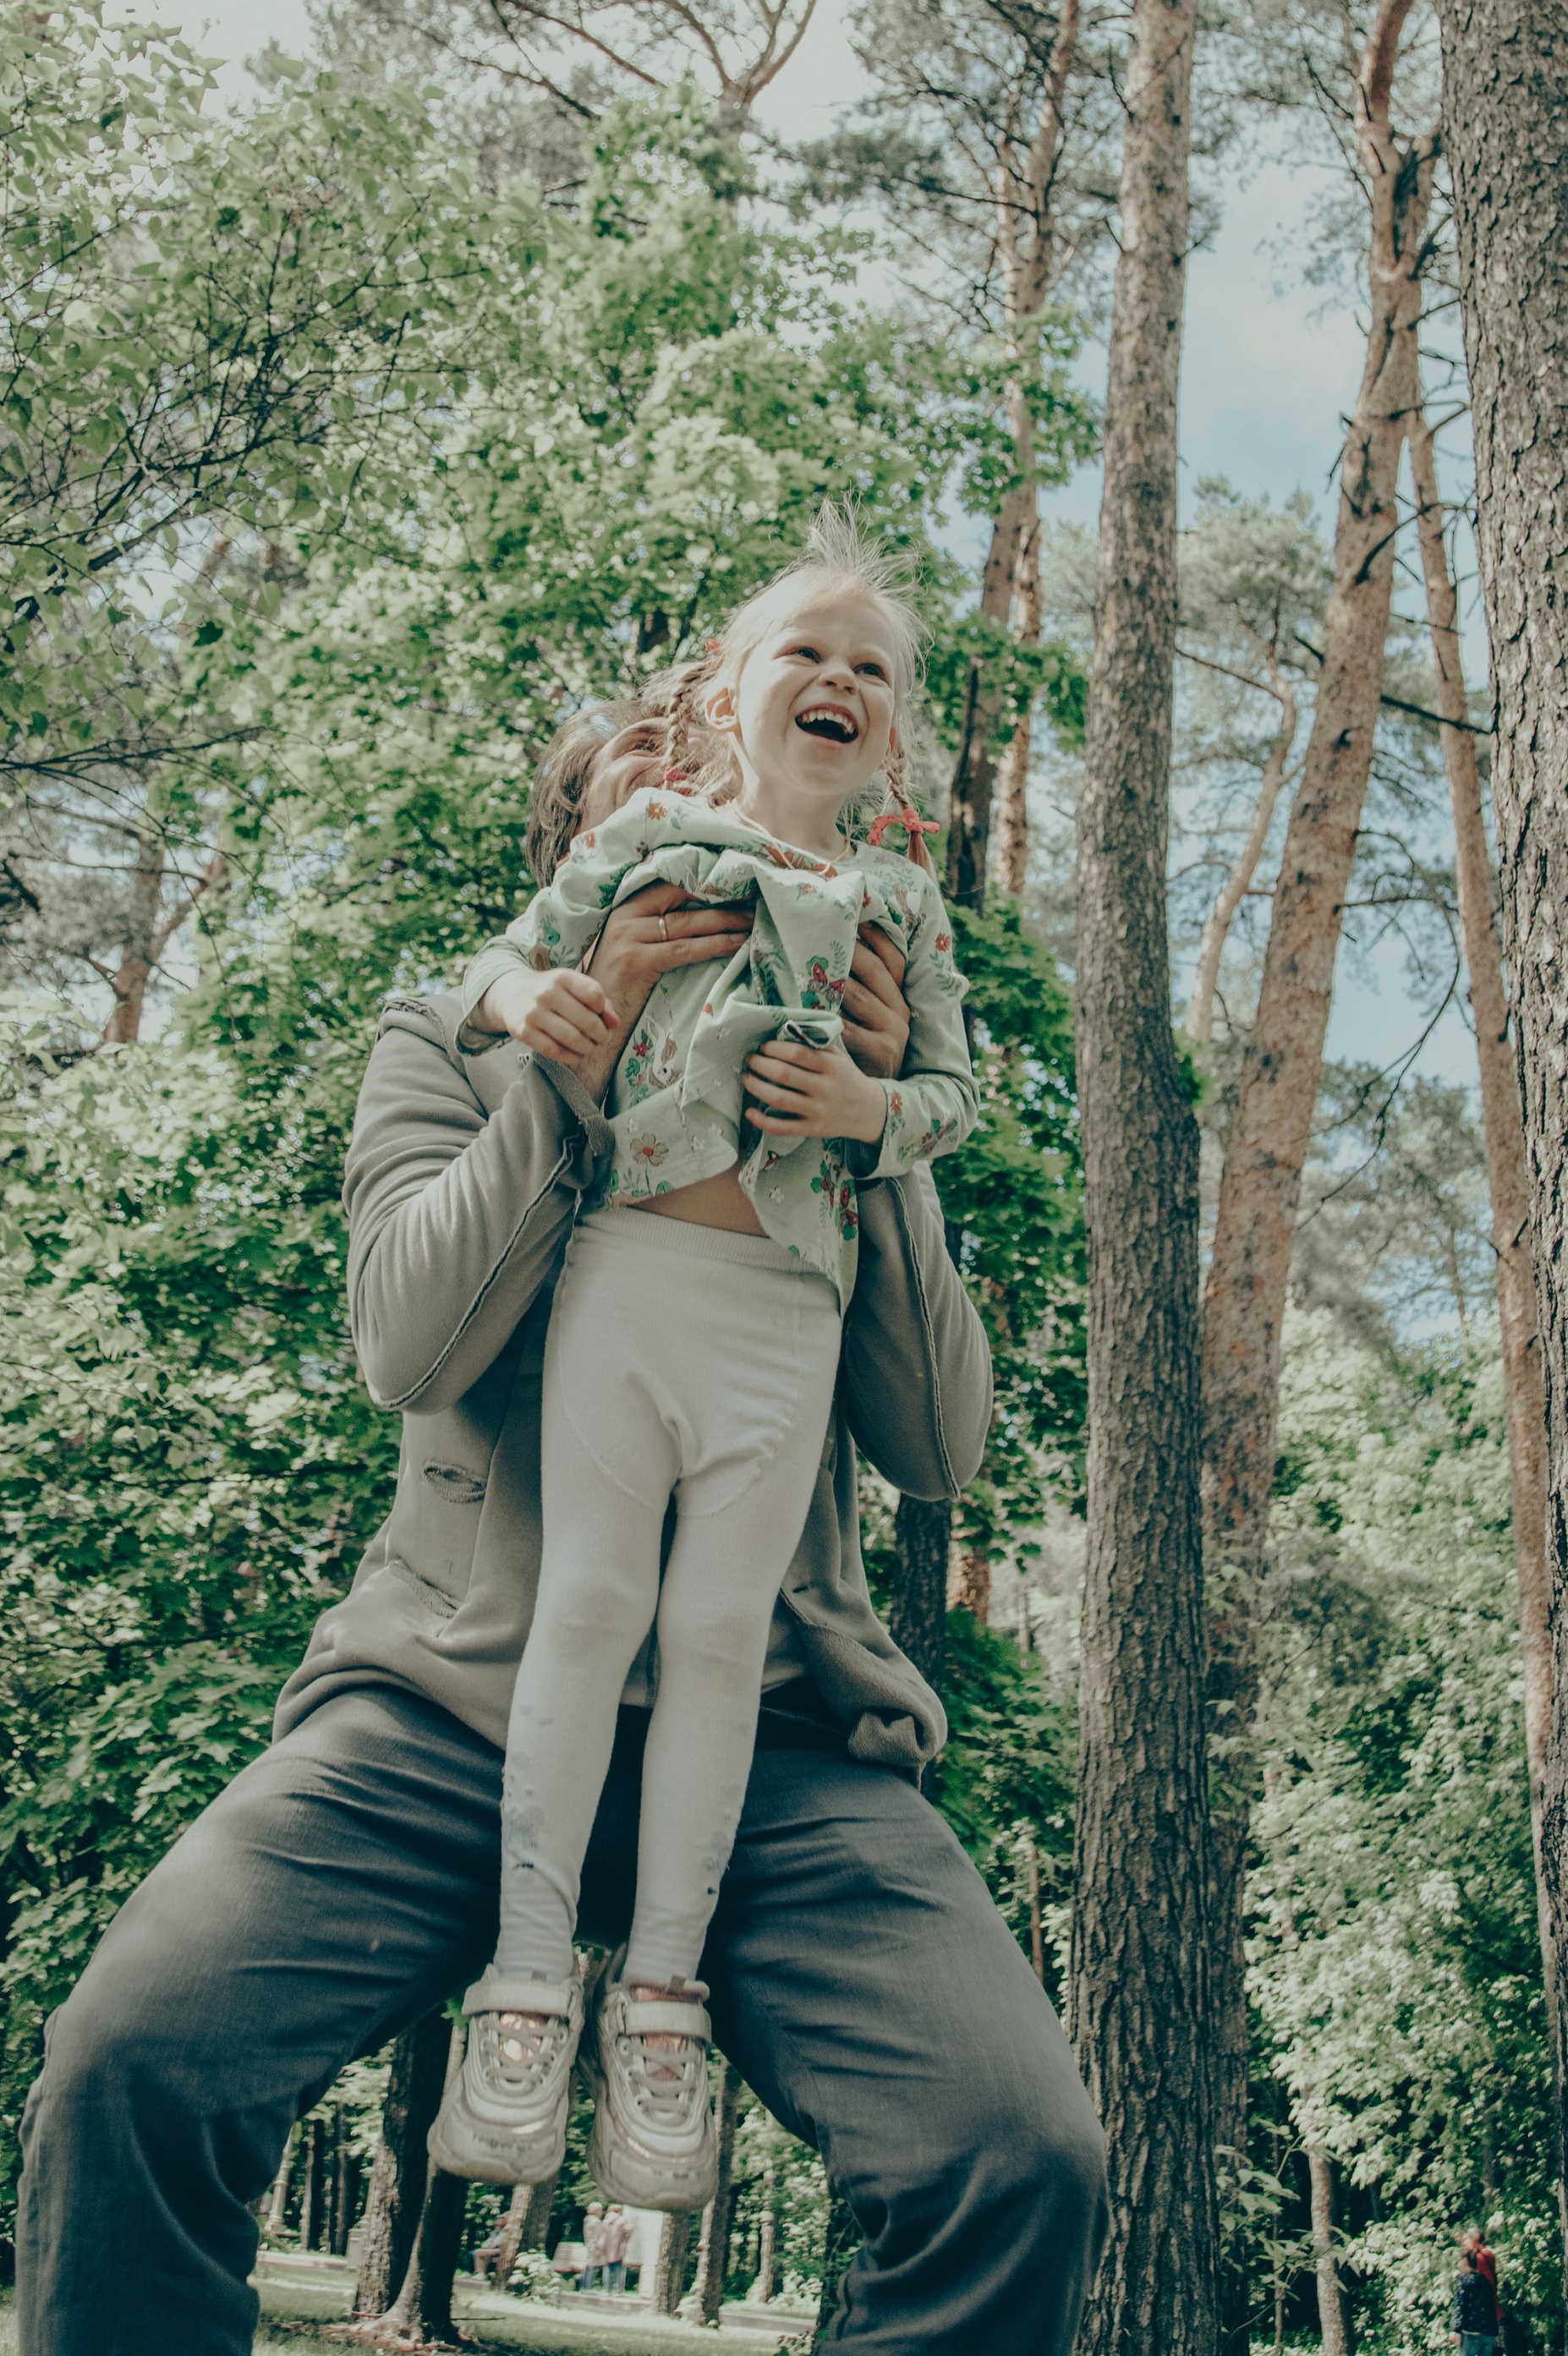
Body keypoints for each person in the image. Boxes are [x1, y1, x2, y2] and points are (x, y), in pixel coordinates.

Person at [14, 620, 1107, 2356]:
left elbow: (937, 1448)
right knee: (128, 2064)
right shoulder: (447, 1036)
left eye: (741, 859)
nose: (710, 882)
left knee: (1015, 2158)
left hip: (780, 1746)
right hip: (446, 1713)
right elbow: (407, 1343)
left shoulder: (828, 1071)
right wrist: (558, 1076)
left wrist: (870, 1129)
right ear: (589, 861)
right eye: (665, 828)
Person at [428, 517, 979, 2210]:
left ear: (891, 736)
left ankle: (657, 2007)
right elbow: (478, 973)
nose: (834, 679)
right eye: (800, 653)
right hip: (634, 1276)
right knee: (590, 1611)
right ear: (727, 695)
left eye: (869, 668)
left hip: (784, 1323)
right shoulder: (653, 843)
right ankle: (526, 1978)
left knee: (720, 1641)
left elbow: (952, 1099)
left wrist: (871, 1112)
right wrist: (537, 1008)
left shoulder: (900, 912)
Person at [1452, 2227, 1501, 2352]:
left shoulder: (1479, 2260)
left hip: (1479, 2323)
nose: (1464, 2245)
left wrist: (1456, 2329)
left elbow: (1461, 2303)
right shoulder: (1486, 2255)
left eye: (1466, 2241)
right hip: (1489, 2323)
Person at [601, 2206, 633, 2296]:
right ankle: (618, 2290)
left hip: (607, 2247)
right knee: (619, 2269)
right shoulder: (622, 2221)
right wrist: (625, 2239)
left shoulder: (605, 2221)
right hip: (618, 2247)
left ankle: (607, 2290)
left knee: (607, 2268)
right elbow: (629, 2230)